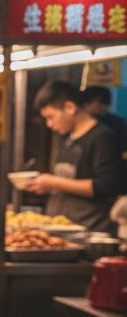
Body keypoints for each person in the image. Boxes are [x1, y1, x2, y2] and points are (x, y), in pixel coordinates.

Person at [25, 80, 123, 232]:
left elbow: (106, 186)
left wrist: (54, 182)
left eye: (51, 117)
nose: (49, 124)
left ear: (70, 107)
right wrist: (47, 186)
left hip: (90, 232)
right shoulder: (69, 138)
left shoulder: (102, 137)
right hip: (61, 230)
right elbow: (72, 181)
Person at [82, 85, 127, 182]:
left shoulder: (112, 124)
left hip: (107, 177)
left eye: (87, 103)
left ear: (97, 101)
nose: (84, 107)